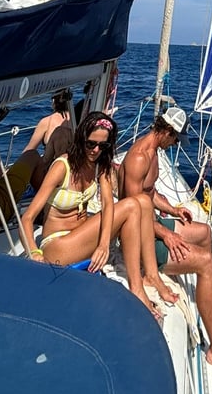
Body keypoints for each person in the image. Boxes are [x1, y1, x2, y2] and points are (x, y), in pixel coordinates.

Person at [120, 106, 212, 376]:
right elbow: (132, 210)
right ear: (167, 131)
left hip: (151, 227)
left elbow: (150, 194)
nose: (176, 145)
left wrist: (173, 210)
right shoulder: (139, 158)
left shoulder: (153, 152)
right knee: (204, 262)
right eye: (176, 139)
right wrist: (166, 234)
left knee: (203, 232)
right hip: (139, 240)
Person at [19, 111, 169, 321]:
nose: (96, 150)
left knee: (143, 201)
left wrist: (104, 245)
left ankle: (152, 276)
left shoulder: (100, 165)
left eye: (102, 146)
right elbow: (27, 218)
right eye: (91, 144)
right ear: (81, 139)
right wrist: (34, 253)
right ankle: (137, 289)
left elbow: (108, 203)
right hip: (58, 245)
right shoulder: (62, 167)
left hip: (81, 235)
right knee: (131, 207)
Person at [23, 88, 74, 190]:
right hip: (72, 172)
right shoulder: (76, 120)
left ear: (53, 101)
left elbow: (30, 149)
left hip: (51, 173)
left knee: (33, 157)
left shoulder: (47, 122)